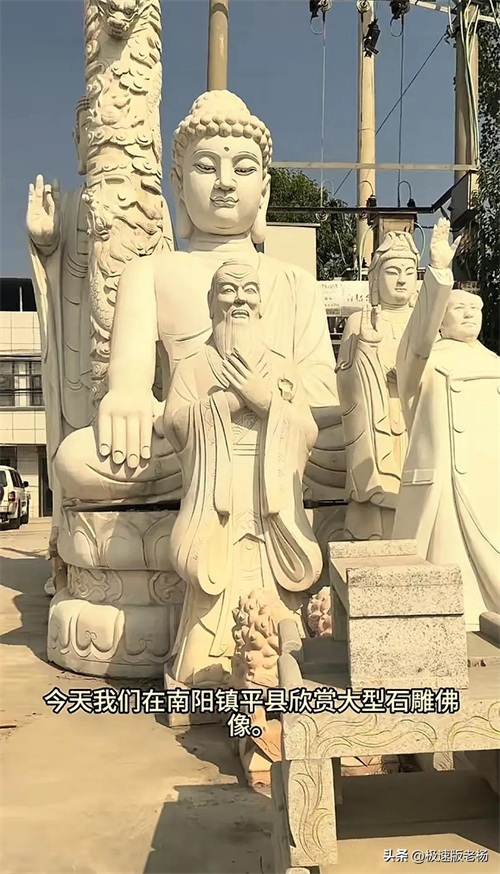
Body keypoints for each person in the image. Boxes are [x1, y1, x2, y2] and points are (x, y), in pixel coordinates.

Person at [55, 90, 344, 505]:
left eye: (243, 169)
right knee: (74, 459)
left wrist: (264, 397)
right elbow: (131, 380)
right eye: (206, 167)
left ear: (263, 191)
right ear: (178, 186)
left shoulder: (296, 281)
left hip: (280, 433)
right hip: (189, 437)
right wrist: (130, 398)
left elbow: (320, 393)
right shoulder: (149, 272)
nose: (225, 182)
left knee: (358, 441)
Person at [165, 260, 322, 687]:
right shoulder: (193, 367)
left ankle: (280, 655)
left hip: (271, 498)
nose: (239, 299)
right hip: (216, 494)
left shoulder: (283, 367)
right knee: (212, 600)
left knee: (278, 603)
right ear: (211, 302)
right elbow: (175, 425)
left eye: (249, 290)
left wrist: (267, 401)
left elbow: (307, 431)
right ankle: (208, 658)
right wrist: (232, 402)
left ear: (261, 303)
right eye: (227, 290)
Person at [392, 218, 500, 629]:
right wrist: (438, 274)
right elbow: (415, 341)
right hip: (446, 492)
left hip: (491, 491)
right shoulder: (424, 363)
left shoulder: (494, 364)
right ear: (440, 319)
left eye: (476, 309)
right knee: (446, 602)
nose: (470, 314)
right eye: (459, 309)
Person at [336, 232, 420, 540]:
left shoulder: (423, 324)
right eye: (393, 272)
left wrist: (413, 378)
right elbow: (343, 381)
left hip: (413, 417)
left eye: (409, 272)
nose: (402, 280)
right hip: (374, 419)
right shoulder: (359, 321)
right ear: (375, 278)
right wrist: (365, 352)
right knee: (375, 492)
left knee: (416, 485)